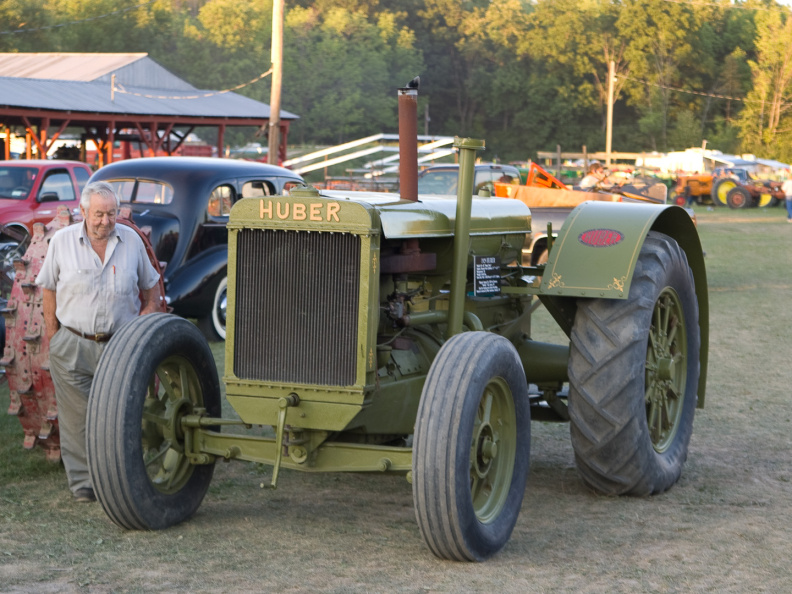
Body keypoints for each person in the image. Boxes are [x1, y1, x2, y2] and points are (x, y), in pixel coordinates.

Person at [36, 181, 162, 503]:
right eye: (98, 215)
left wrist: (146, 316)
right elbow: (47, 287)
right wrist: (55, 335)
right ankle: (83, 486)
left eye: (111, 214)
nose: (105, 221)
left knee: (121, 415)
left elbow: (151, 287)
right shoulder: (62, 242)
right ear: (82, 213)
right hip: (73, 344)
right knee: (76, 419)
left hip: (121, 345)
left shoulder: (132, 241)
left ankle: (120, 478)